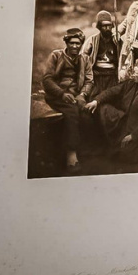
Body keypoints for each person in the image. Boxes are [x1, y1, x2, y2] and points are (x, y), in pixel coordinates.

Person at [85, 58, 138, 161]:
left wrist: (133, 135)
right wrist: (96, 101)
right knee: (103, 108)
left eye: (135, 73)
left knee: (126, 156)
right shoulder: (130, 83)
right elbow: (111, 91)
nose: (132, 75)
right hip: (125, 123)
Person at [41, 28, 94, 171]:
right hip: (57, 96)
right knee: (72, 113)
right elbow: (47, 79)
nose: (75, 46)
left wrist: (82, 94)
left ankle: (87, 152)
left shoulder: (85, 59)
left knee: (86, 114)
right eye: (72, 43)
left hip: (75, 96)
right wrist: (61, 94)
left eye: (78, 43)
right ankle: (71, 155)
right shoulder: (56, 56)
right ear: (67, 43)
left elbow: (89, 81)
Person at [82, 10, 121, 97]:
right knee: (94, 98)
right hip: (97, 77)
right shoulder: (92, 40)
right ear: (99, 27)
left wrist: (120, 42)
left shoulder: (117, 41)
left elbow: (124, 55)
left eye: (109, 26)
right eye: (104, 26)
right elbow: (83, 56)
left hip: (112, 77)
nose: (107, 28)